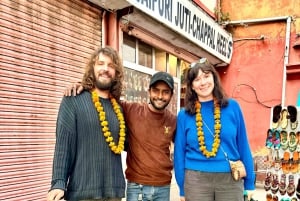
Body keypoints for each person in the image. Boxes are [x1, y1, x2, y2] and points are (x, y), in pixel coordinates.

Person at [64, 71, 177, 201]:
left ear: (171, 95)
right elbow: (104, 96)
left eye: (165, 92)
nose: (160, 96)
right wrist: (85, 86)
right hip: (136, 187)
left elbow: (184, 148)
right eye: (156, 91)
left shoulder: (174, 121)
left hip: (163, 187)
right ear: (149, 91)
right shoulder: (131, 110)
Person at [46, 46, 126, 201]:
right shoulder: (73, 99)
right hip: (82, 193)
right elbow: (63, 145)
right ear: (92, 68)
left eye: (111, 65)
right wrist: (58, 182)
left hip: (114, 193)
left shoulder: (119, 108)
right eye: (100, 63)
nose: (105, 69)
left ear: (116, 73)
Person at [174, 58, 255, 201]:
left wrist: (249, 183)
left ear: (214, 78)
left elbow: (243, 145)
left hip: (230, 178)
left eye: (206, 76)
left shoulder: (232, 107)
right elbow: (179, 154)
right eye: (197, 79)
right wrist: (182, 188)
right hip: (196, 181)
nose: (203, 82)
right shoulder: (184, 115)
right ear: (192, 86)